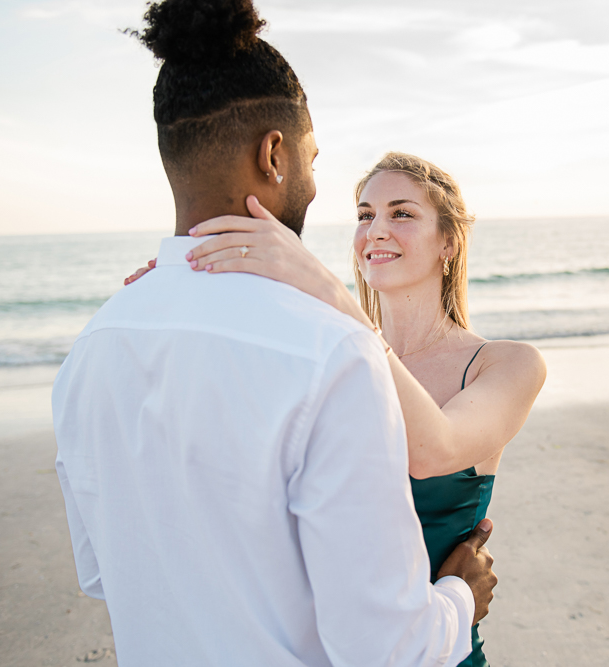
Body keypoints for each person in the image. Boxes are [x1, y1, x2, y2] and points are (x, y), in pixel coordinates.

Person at [53, 1, 498, 665]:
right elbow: (388, 648)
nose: (317, 184)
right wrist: (461, 594)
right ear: (274, 153)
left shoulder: (93, 346)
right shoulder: (331, 352)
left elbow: (105, 571)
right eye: (313, 159)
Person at [126, 152, 547, 665]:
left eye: (402, 214)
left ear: (449, 242)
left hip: (438, 653)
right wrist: (182, 293)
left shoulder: (505, 364)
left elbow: (434, 450)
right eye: (365, 215)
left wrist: (326, 292)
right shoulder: (323, 349)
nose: (376, 229)